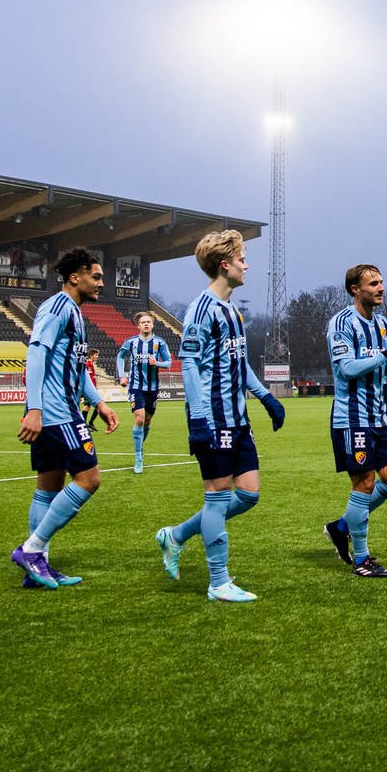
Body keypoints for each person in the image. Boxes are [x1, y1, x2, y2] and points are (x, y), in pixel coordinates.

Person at [154, 230, 284, 602]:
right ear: (225, 265)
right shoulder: (201, 309)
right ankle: (218, 582)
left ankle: (175, 536)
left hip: (238, 420)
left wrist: (264, 398)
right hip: (212, 419)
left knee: (248, 495)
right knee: (216, 495)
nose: (247, 264)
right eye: (242, 258)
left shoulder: (232, 312)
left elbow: (240, 364)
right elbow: (190, 363)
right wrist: (198, 418)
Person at [11, 248, 119, 589]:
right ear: (76, 277)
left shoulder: (74, 313)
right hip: (57, 412)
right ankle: (32, 550)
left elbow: (75, 367)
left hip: (59, 409)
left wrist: (98, 402)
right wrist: (35, 409)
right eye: (96, 276)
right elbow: (37, 353)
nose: (101, 283)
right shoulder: (58, 308)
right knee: (89, 479)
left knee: (49, 487)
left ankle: (37, 567)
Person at [322, 264, 387, 577]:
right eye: (373, 283)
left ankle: (341, 526)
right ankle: (362, 560)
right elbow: (347, 369)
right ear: (355, 289)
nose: (381, 288)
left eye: (381, 282)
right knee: (364, 484)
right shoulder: (341, 323)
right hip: (352, 418)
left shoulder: (382, 323)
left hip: (378, 416)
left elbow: (384, 368)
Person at [118, 312, 173, 474]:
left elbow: (169, 362)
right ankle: (138, 457)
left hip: (153, 389)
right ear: (138, 326)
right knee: (140, 418)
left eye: (149, 322)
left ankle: (140, 446)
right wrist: (122, 375)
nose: (146, 324)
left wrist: (158, 363)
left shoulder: (159, 343)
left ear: (153, 324)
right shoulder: (131, 342)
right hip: (136, 387)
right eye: (143, 322)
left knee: (147, 421)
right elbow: (120, 356)